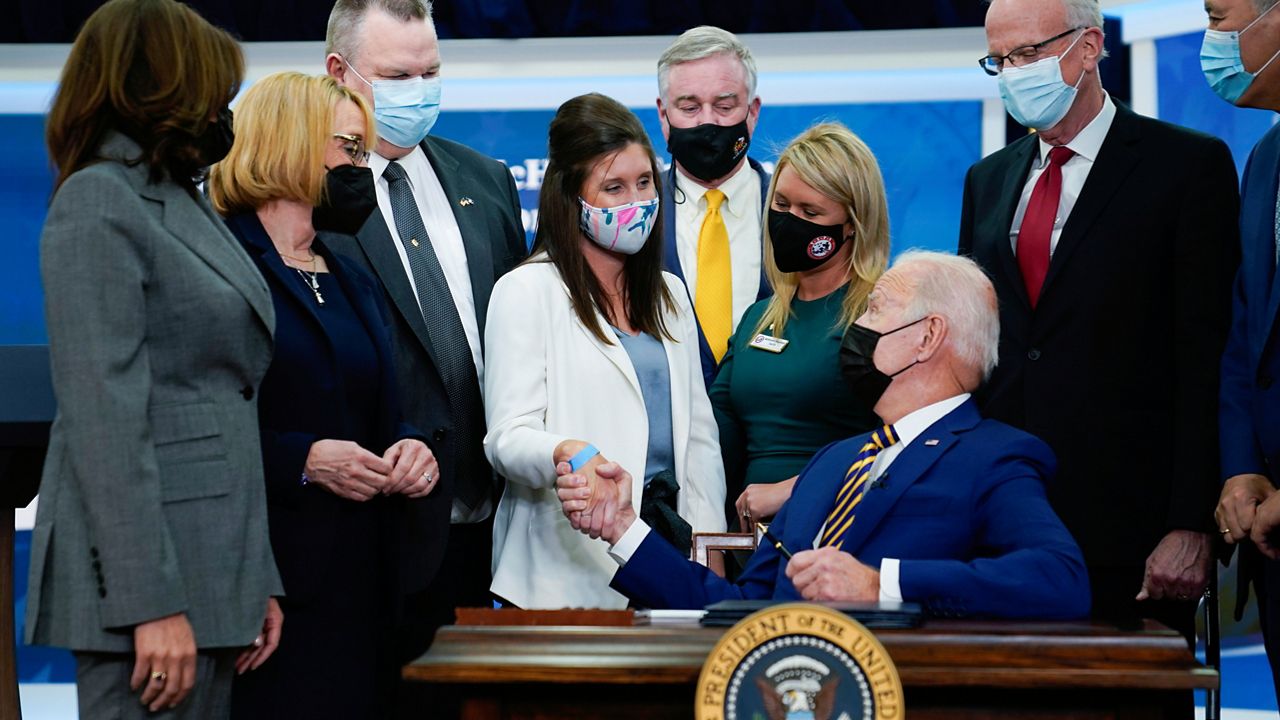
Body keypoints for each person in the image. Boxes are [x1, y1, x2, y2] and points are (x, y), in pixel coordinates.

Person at [555, 251, 1091, 619]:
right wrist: (622, 529)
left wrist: (881, 586)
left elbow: (1059, 580)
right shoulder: (833, 461)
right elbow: (740, 608)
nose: (856, 325)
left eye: (876, 309)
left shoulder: (993, 457)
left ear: (927, 336)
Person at [23, 0, 282, 717]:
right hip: (148, 602)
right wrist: (150, 606)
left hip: (215, 579)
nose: (222, 111)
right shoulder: (98, 202)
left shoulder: (179, 199)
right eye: (215, 93)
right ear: (165, 86)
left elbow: (223, 405)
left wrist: (253, 578)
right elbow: (106, 424)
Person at [958, 0, 1240, 639]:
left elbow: (1207, 357)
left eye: (1028, 54)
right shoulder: (988, 181)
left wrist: (1189, 522)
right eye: (999, 61)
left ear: (1089, 47)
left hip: (1133, 537)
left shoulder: (1186, 167)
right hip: (1004, 525)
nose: (1012, 74)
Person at [207, 71, 436, 719]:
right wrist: (302, 460)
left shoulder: (349, 275)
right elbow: (198, 427)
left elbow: (385, 412)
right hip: (268, 585)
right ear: (290, 144)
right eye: (351, 150)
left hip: (366, 587)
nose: (361, 168)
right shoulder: (220, 264)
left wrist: (412, 446)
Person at [322, 0, 527, 661]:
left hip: (499, 529)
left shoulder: (487, 181)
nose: (419, 91)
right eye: (398, 76)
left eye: (430, 72)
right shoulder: (309, 192)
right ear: (339, 72)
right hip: (374, 526)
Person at [483, 93, 727, 609]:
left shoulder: (671, 293)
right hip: (563, 576)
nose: (634, 202)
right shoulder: (527, 290)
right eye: (612, 188)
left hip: (668, 563)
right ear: (571, 197)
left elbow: (699, 442)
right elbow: (506, 438)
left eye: (643, 183)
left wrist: (709, 548)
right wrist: (565, 452)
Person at [712, 122, 887, 532]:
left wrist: (794, 488)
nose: (790, 222)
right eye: (782, 205)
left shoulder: (882, 316)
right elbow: (717, 431)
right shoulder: (759, 317)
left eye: (810, 213)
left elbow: (908, 442)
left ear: (852, 224)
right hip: (747, 542)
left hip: (840, 532)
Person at [1205, 0, 1280, 703]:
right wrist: (1240, 472)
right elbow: (1244, 341)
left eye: (1220, 16)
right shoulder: (1262, 160)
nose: (1214, 42)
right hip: (1269, 538)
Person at [656, 26, 772, 386]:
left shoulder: (799, 213)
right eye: (689, 107)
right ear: (663, 115)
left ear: (752, 112)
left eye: (724, 106)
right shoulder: (633, 215)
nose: (707, 121)